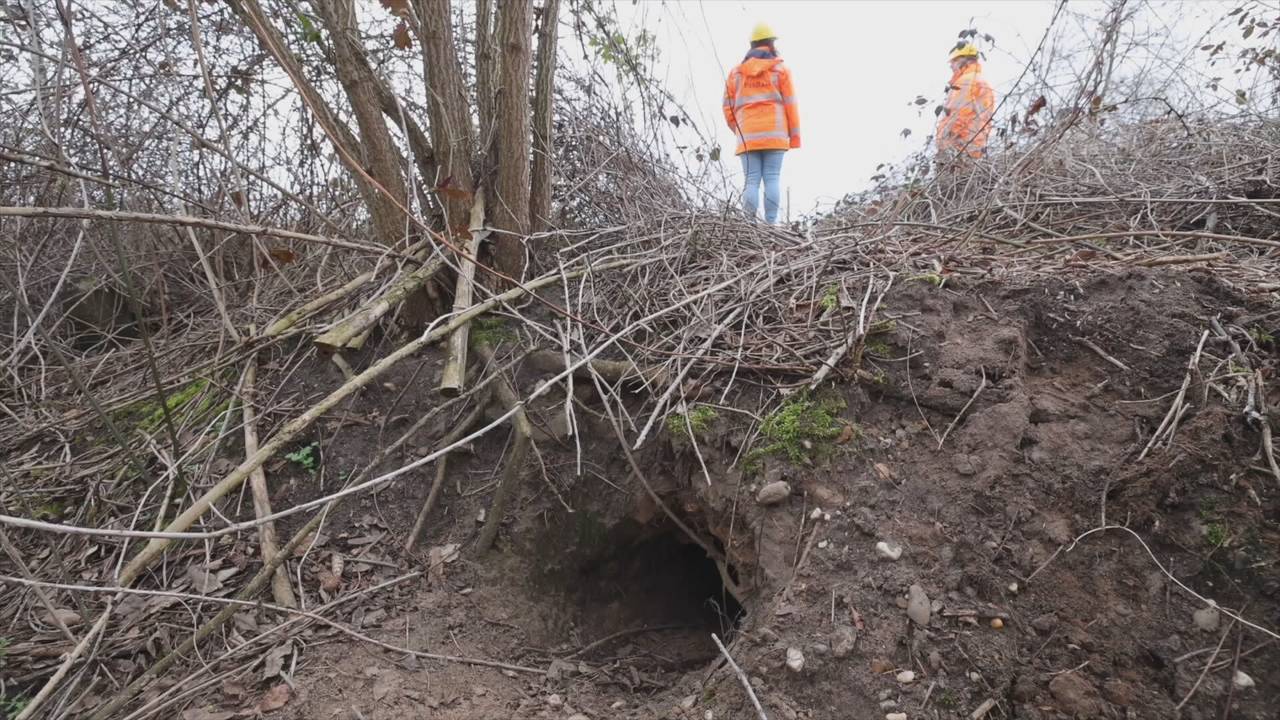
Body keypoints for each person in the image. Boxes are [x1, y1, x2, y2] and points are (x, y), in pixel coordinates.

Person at [722, 23, 800, 224]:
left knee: (751, 180)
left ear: (752, 45)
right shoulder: (781, 70)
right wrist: (794, 135)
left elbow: (727, 107)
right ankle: (771, 225)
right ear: (771, 44)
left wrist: (738, 129)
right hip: (775, 132)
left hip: (747, 134)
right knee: (772, 178)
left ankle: (749, 225)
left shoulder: (735, 73)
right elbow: (791, 105)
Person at [935, 43, 995, 159]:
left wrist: (945, 145)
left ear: (963, 60)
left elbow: (957, 116)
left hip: (960, 151)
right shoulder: (982, 82)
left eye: (953, 61)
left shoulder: (965, 82)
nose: (951, 65)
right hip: (976, 148)